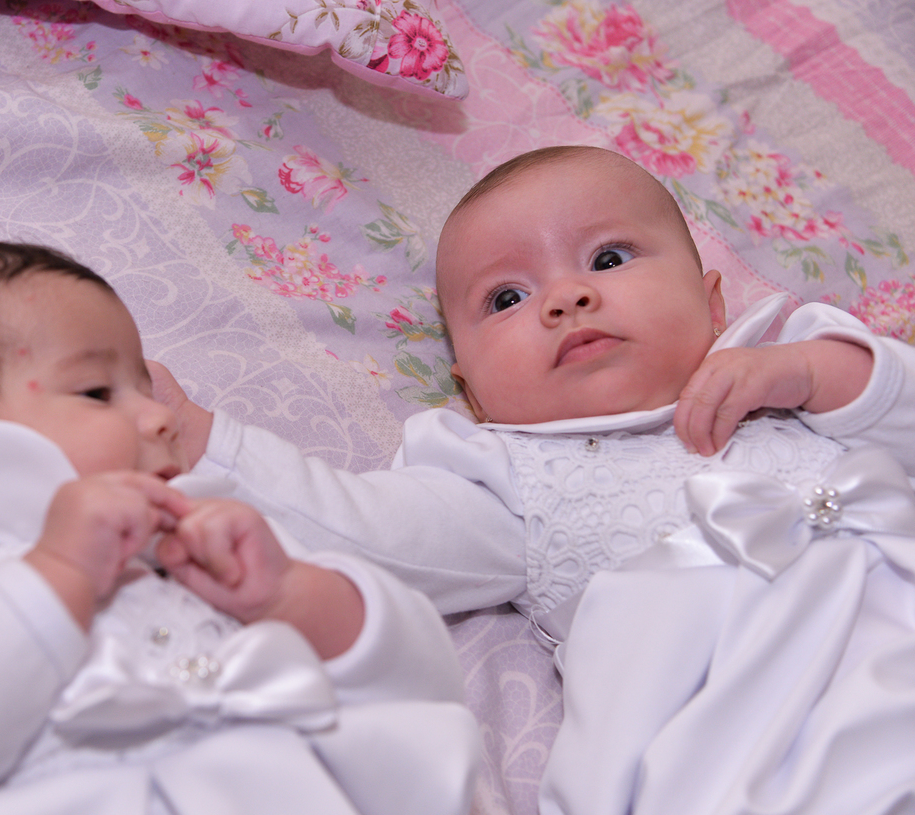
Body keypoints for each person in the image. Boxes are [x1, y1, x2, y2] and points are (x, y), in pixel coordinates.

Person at [151, 146, 915, 815]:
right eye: (506, 299)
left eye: (609, 258)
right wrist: (205, 443)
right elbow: (361, 531)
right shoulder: (513, 483)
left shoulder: (802, 375)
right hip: (748, 753)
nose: (565, 297)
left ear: (713, 306)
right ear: (473, 388)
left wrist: (818, 371)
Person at [0, 242, 478, 815]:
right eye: (99, 391)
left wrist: (293, 596)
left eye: (145, 386)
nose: (163, 416)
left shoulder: (208, 539)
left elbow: (431, 693)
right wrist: (54, 577)